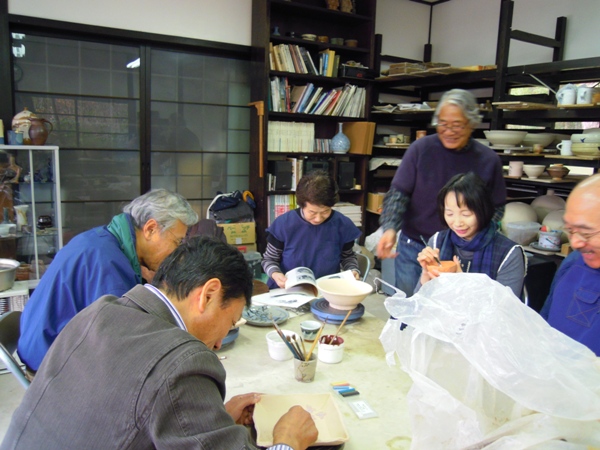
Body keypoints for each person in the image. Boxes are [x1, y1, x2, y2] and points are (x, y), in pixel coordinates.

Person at [1, 237, 318, 450]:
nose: (221, 342)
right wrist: (286, 441)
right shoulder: (184, 362)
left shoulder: (98, 312)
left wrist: (205, 419)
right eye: (231, 321)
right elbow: (160, 383)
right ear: (207, 295)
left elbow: (129, 409)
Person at [18, 188, 198, 373]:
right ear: (150, 229)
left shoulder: (103, 238)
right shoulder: (109, 264)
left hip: (42, 345)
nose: (175, 253)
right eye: (177, 242)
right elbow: (118, 344)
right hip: (50, 365)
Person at [376, 89, 507, 297]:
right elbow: (398, 195)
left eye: (457, 125)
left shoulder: (488, 160)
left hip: (463, 249)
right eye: (443, 124)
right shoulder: (420, 150)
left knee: (452, 309)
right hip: (416, 244)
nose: (449, 131)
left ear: (472, 124)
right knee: (409, 306)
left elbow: (496, 209)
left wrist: (471, 237)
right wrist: (390, 228)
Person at [416, 172, 525, 297]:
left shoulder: (508, 253)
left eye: (466, 214)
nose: (457, 223)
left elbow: (507, 309)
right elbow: (419, 302)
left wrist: (463, 282)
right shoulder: (437, 242)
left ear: (483, 210)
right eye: (450, 214)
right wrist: (425, 274)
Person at [262, 170, 361, 289]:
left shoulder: (342, 225)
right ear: (301, 204)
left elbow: (348, 257)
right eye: (312, 212)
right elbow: (269, 259)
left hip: (325, 289)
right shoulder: (284, 224)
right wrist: (275, 274)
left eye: (325, 212)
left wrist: (353, 270)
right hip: (286, 289)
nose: (318, 219)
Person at [540, 174, 600, 356]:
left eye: (586, 233)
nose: (575, 243)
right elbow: (541, 329)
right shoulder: (574, 262)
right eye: (571, 230)